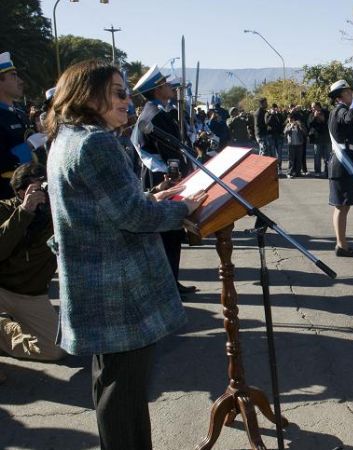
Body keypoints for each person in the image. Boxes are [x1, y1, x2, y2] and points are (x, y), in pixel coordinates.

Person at [45, 59, 207, 450]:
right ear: (88, 94)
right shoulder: (96, 142)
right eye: (118, 92)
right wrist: (183, 208)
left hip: (97, 284)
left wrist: (152, 196)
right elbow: (132, 216)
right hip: (119, 289)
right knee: (125, 394)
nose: (127, 101)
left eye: (128, 93)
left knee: (112, 384)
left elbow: (102, 206)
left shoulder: (68, 138)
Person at [130, 65, 196, 297]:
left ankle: (170, 282)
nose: (171, 87)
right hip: (165, 179)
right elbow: (171, 153)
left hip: (159, 177)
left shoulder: (152, 112)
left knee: (170, 234)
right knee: (169, 233)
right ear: (158, 90)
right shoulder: (156, 116)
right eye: (166, 85)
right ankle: (169, 284)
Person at [0, 163, 65, 370]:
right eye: (39, 187)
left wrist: (154, 194)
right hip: (1, 290)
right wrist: (24, 211)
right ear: (21, 192)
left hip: (31, 294)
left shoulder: (56, 212)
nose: (45, 192)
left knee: (55, 350)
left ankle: (5, 332)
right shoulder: (4, 209)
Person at [328, 80, 353, 257]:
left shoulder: (340, 109)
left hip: (344, 163)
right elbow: (349, 119)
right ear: (340, 96)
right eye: (349, 93)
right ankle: (342, 245)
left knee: (344, 205)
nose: (351, 95)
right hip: (341, 165)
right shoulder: (340, 110)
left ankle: (342, 244)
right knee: (341, 206)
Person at [0, 52, 34, 200]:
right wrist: (28, 148)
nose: (20, 81)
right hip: (6, 195)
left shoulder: (20, 112)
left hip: (30, 191)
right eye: (13, 75)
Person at [308, 102, 331, 176]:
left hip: (326, 138)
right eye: (311, 107)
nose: (312, 108)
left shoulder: (327, 113)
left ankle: (327, 171)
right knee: (317, 156)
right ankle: (317, 171)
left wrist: (322, 118)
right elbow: (309, 124)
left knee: (328, 157)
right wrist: (314, 117)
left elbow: (330, 123)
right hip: (317, 139)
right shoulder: (311, 114)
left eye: (313, 107)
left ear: (318, 106)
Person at [284, 112, 307, 178]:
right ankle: (290, 172)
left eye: (291, 119)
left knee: (299, 159)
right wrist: (290, 127)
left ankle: (298, 172)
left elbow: (305, 132)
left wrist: (300, 126)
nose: (290, 121)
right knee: (291, 159)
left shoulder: (299, 124)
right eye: (289, 119)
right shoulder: (288, 125)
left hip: (299, 144)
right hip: (291, 145)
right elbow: (285, 132)